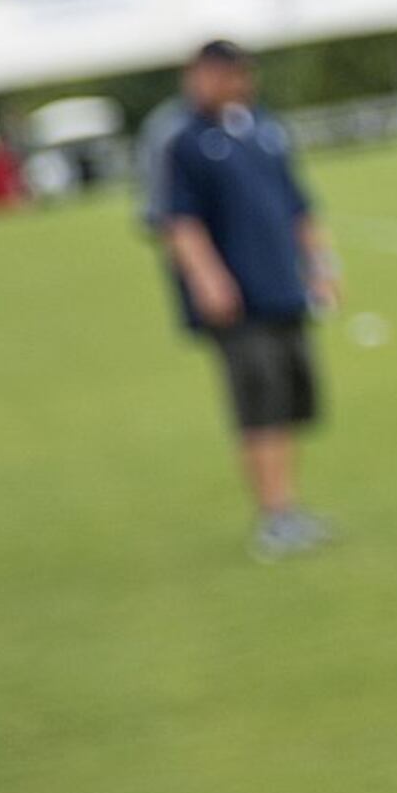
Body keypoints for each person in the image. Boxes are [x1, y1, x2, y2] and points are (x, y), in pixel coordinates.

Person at [135, 41, 338, 560]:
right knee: (259, 398)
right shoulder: (182, 137)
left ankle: (289, 505)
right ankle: (273, 517)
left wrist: (321, 267)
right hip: (237, 299)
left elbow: (299, 205)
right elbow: (176, 218)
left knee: (290, 397)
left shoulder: (263, 127)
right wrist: (208, 279)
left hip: (282, 286)